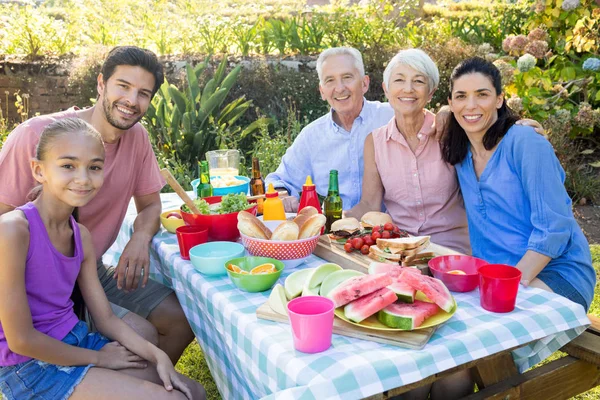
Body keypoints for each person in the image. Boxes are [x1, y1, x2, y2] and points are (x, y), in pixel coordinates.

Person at [0, 46, 193, 364]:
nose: (132, 101)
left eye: (143, 93)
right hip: (38, 281)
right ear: (102, 83)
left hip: (91, 266)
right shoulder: (37, 135)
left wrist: (140, 238)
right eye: (124, 86)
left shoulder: (137, 139)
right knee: (140, 337)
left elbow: (150, 206)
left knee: (179, 319)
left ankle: (149, 388)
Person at [0, 118, 205, 399]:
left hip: (76, 339)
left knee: (194, 391)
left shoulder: (80, 235)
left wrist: (159, 356)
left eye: (94, 167)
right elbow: (21, 340)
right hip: (30, 367)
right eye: (68, 166)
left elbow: (106, 318)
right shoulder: (12, 230)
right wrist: (97, 359)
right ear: (39, 170)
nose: (83, 178)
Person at [266, 46, 542, 214]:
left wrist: (510, 125)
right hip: (352, 233)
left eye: (347, 78)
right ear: (322, 91)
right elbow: (280, 179)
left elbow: (453, 116)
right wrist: (281, 197)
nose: (340, 88)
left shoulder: (395, 113)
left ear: (365, 83)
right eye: (330, 81)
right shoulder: (313, 136)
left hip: (406, 238)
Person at [442, 57, 596, 311]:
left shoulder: (525, 142)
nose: (470, 105)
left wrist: (507, 285)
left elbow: (553, 228)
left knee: (493, 333)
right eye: (461, 96)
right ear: (450, 103)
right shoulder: (460, 154)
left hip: (555, 273)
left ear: (500, 99)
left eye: (482, 94)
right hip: (494, 276)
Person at [346, 49, 470, 254]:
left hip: (452, 251)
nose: (408, 89)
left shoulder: (449, 131)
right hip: (401, 249)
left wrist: (519, 126)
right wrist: (338, 219)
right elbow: (369, 203)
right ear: (386, 90)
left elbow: (487, 125)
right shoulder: (375, 142)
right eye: (399, 80)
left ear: (431, 92)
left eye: (418, 81)